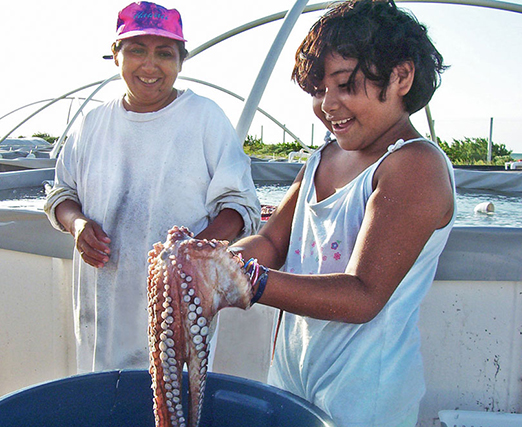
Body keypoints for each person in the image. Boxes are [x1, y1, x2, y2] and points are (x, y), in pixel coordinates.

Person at [229, 1, 455, 426]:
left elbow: (363, 295)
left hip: (365, 398)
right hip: (292, 375)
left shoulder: (414, 165)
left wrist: (244, 280)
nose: (328, 104)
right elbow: (273, 241)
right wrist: (222, 259)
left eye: (346, 84)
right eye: (318, 90)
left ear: (401, 76)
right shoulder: (322, 157)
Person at [44, 1, 260, 374]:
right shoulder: (92, 124)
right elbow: (61, 194)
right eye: (136, 50)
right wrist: (77, 225)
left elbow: (240, 206)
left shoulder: (205, 119)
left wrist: (187, 258)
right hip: (102, 309)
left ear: (181, 60)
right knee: (103, 396)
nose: (150, 65)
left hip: (177, 307)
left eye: (164, 53)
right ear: (116, 55)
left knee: (172, 395)